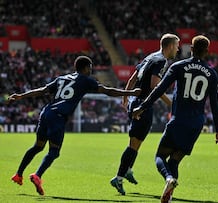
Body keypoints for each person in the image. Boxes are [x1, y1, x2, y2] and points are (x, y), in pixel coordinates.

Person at [9, 56, 141, 195]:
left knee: (38, 146)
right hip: (58, 117)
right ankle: (37, 175)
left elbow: (42, 90)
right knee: (54, 152)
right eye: (90, 67)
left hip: (45, 113)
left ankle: (18, 174)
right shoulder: (85, 80)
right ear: (85, 67)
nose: (91, 70)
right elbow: (107, 91)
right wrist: (130, 92)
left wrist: (21, 96)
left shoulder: (62, 78)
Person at [132, 35, 218, 203]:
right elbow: (215, 105)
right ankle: (169, 194)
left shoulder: (179, 66)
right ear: (207, 51)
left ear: (191, 49)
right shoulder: (211, 73)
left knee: (159, 156)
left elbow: (159, 89)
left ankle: (168, 179)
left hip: (178, 121)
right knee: (174, 161)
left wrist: (142, 106)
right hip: (196, 125)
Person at [110, 33, 180, 195]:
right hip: (143, 104)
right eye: (177, 46)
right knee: (133, 145)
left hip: (136, 102)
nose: (177, 49)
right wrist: (171, 104)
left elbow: (132, 79)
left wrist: (126, 97)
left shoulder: (150, 57)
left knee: (136, 143)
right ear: (170, 46)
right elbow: (155, 85)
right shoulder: (162, 60)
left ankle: (127, 170)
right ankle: (119, 177)